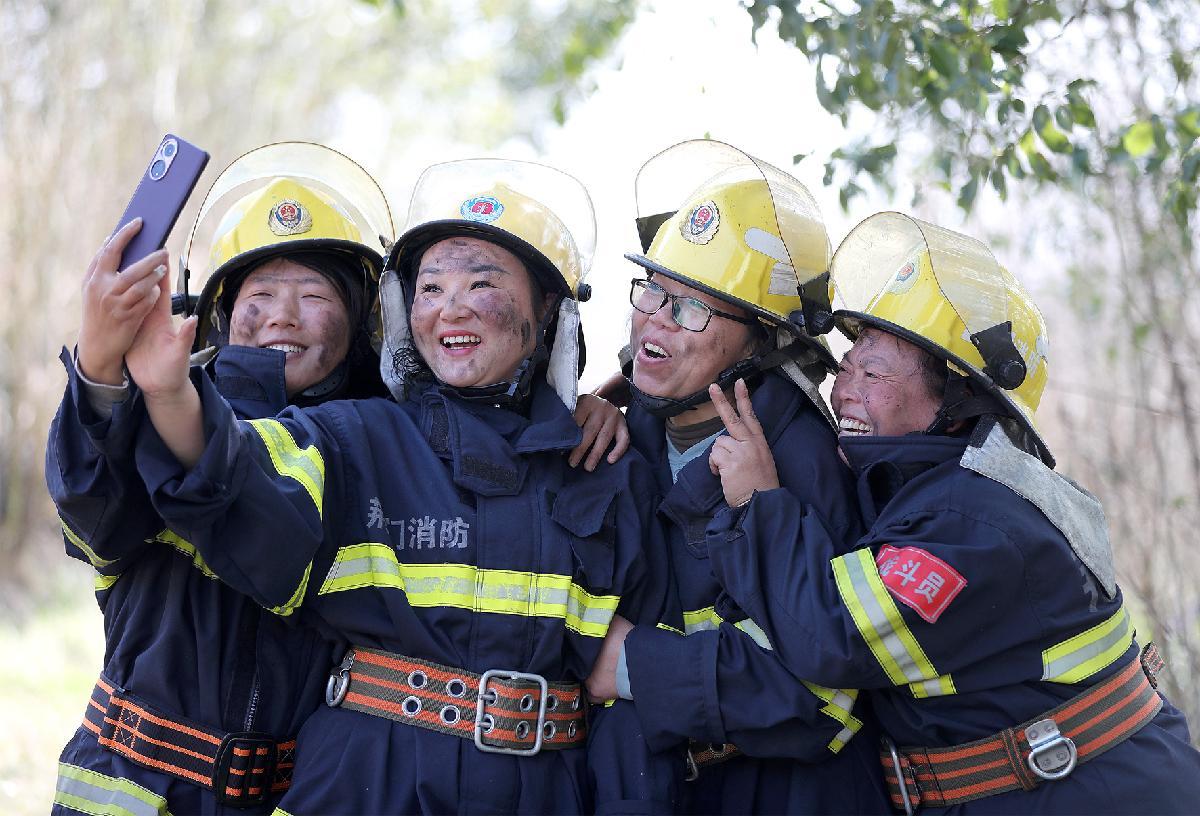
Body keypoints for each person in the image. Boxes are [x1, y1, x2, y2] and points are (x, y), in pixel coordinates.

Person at [125, 159, 667, 815]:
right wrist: (169, 394)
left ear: (547, 305)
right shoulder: (355, 436)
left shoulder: (612, 468)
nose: (451, 308)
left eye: (482, 283)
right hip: (366, 786)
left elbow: (634, 704)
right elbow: (238, 468)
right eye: (430, 288)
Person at [698, 212, 1200, 813]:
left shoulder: (978, 521)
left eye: (874, 373)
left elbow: (832, 635)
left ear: (958, 401)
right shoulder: (938, 491)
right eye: (848, 367)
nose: (845, 391)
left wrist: (758, 503)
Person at [47, 142, 402, 815]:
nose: (282, 315)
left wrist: (593, 404)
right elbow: (93, 513)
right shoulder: (153, 408)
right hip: (124, 787)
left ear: (362, 318)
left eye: (313, 294)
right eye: (259, 293)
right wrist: (98, 368)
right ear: (219, 311)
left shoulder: (377, 439)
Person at [586, 141, 888, 815]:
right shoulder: (625, 429)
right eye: (653, 290)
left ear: (762, 341)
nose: (656, 319)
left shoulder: (806, 462)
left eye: (692, 308)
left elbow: (828, 694)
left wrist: (634, 667)